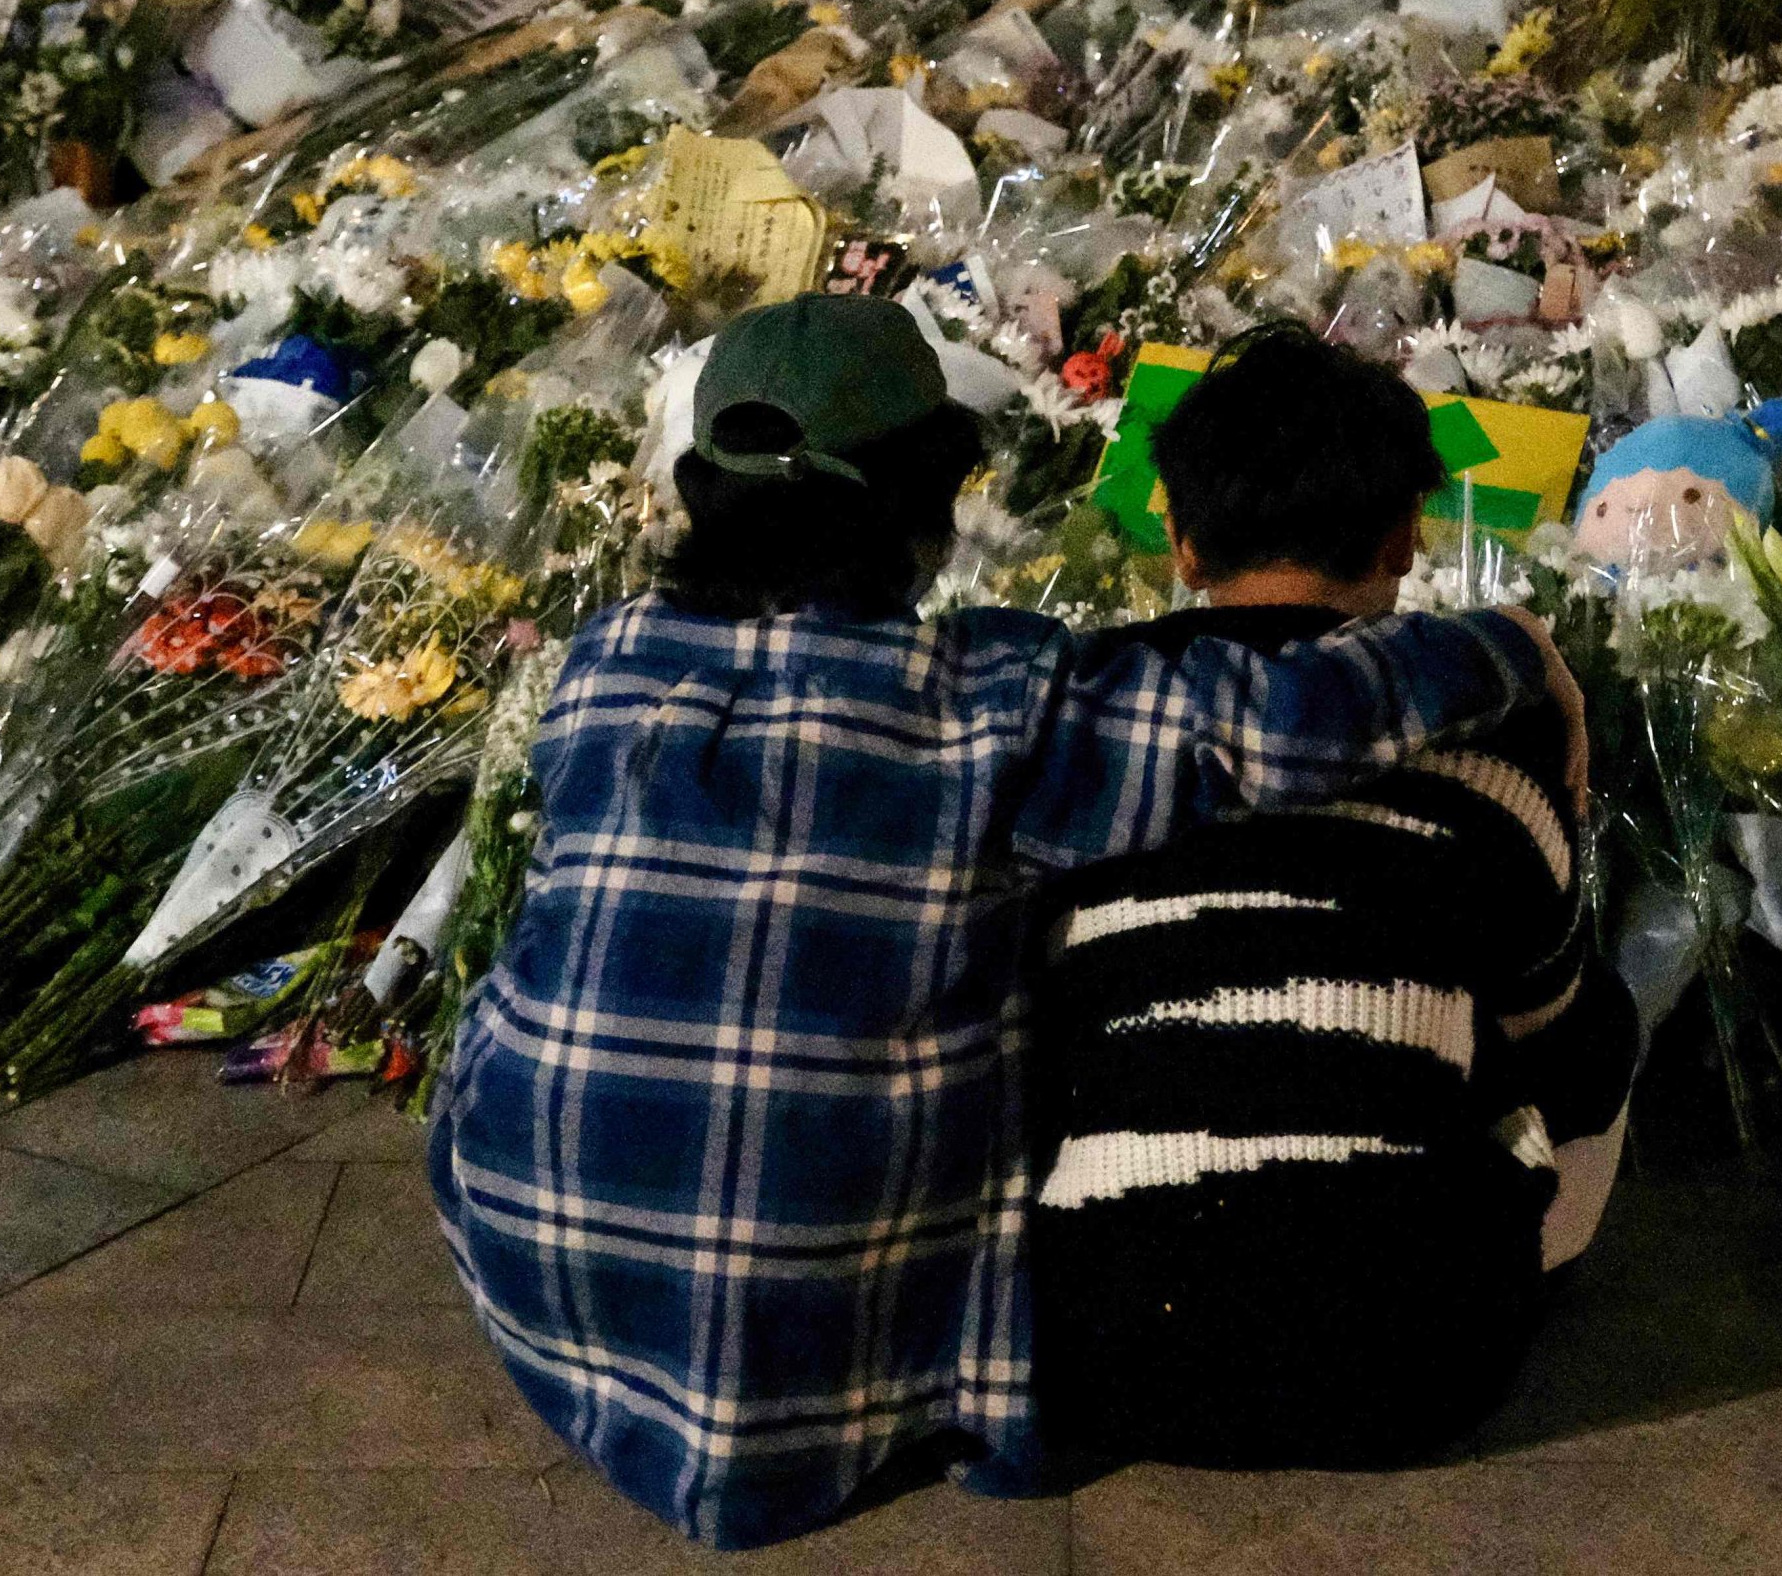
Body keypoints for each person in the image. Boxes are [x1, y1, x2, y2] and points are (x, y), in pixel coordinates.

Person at [429, 296, 1573, 1552]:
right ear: (928, 499)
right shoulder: (986, 701)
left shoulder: (606, 665)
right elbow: (1275, 723)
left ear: (704, 493)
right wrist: (1512, 649)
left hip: (546, 1279)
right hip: (823, 1374)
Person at [1031, 330, 1636, 1472]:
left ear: (1181, 539)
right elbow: (1561, 1042)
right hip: (1423, 1371)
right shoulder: (1487, 757)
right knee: (1582, 1022)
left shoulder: (1086, 744)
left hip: (1104, 1356)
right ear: (1409, 533)